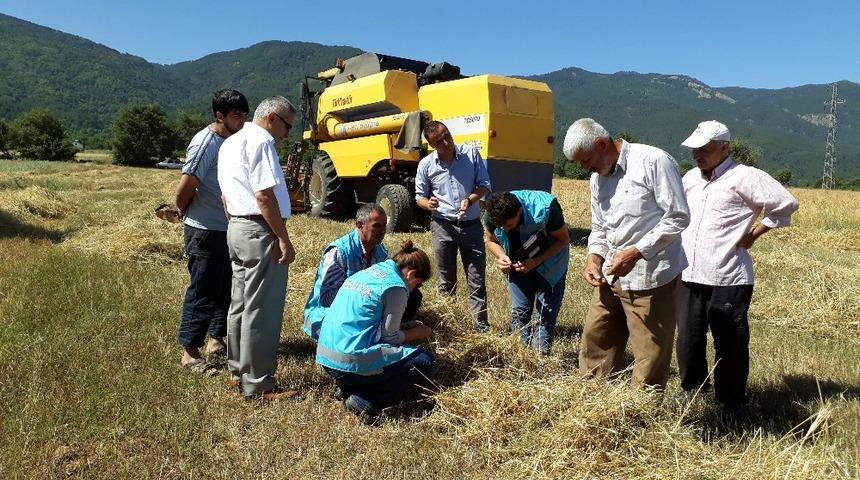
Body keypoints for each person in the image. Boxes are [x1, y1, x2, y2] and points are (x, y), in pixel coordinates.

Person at [676, 120, 799, 413]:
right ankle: (693, 389)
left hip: (728, 275)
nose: (698, 155)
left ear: (724, 148)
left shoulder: (745, 176)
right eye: (695, 150)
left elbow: (786, 204)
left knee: (729, 342)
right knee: (689, 338)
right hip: (689, 271)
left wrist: (754, 234)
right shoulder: (690, 178)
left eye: (705, 149)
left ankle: (731, 401)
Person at [564, 118, 690, 389]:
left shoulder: (653, 161)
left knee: (649, 353)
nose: (585, 168)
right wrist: (593, 259)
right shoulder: (597, 178)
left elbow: (677, 217)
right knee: (597, 339)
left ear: (601, 144)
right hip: (611, 274)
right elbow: (600, 226)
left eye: (586, 160)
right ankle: (592, 399)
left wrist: (635, 253)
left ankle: (641, 407)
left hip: (651, 277)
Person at [217, 96, 297, 400]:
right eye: (287, 126)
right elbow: (264, 197)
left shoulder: (230, 143)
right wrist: (282, 237)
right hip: (259, 229)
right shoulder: (262, 142)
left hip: (237, 227)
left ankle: (238, 373)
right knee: (262, 309)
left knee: (239, 304)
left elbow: (225, 197)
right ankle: (259, 383)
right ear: (273, 117)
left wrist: (237, 222)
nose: (287, 134)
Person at [315, 240, 435, 422]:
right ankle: (366, 398)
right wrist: (419, 333)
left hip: (326, 357)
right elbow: (390, 338)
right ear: (411, 274)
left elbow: (368, 321)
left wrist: (404, 326)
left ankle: (347, 387)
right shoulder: (396, 287)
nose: (415, 289)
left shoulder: (369, 273)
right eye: (418, 284)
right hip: (348, 362)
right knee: (425, 361)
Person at [174, 89, 248, 374]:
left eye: (244, 114)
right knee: (203, 289)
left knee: (225, 287)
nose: (242, 120)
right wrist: (183, 210)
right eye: (236, 115)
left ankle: (216, 340)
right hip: (204, 229)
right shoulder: (206, 143)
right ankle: (190, 352)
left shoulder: (230, 140)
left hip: (226, 228)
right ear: (219, 116)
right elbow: (186, 186)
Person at [303, 203, 423, 340]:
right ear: (360, 225)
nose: (383, 231)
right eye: (377, 226)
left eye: (384, 225)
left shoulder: (380, 251)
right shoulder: (339, 252)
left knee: (412, 295)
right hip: (328, 316)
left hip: (361, 309)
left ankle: (391, 331)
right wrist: (362, 299)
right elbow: (326, 299)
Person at [415, 120, 491, 331]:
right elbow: (419, 197)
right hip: (443, 227)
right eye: (439, 142)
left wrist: (470, 199)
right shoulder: (426, 165)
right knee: (446, 281)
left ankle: (481, 328)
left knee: (477, 280)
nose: (446, 143)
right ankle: (447, 327)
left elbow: (484, 185)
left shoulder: (471, 154)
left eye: (447, 135)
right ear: (432, 145)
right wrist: (428, 204)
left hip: (471, 226)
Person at [483, 191, 570, 354]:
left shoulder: (546, 208)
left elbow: (563, 240)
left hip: (551, 264)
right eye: (501, 227)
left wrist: (535, 262)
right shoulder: (492, 214)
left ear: (519, 212)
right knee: (520, 311)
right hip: (518, 264)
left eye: (509, 225)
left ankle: (540, 356)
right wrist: (501, 256)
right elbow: (490, 240)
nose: (505, 229)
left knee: (545, 314)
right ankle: (519, 354)